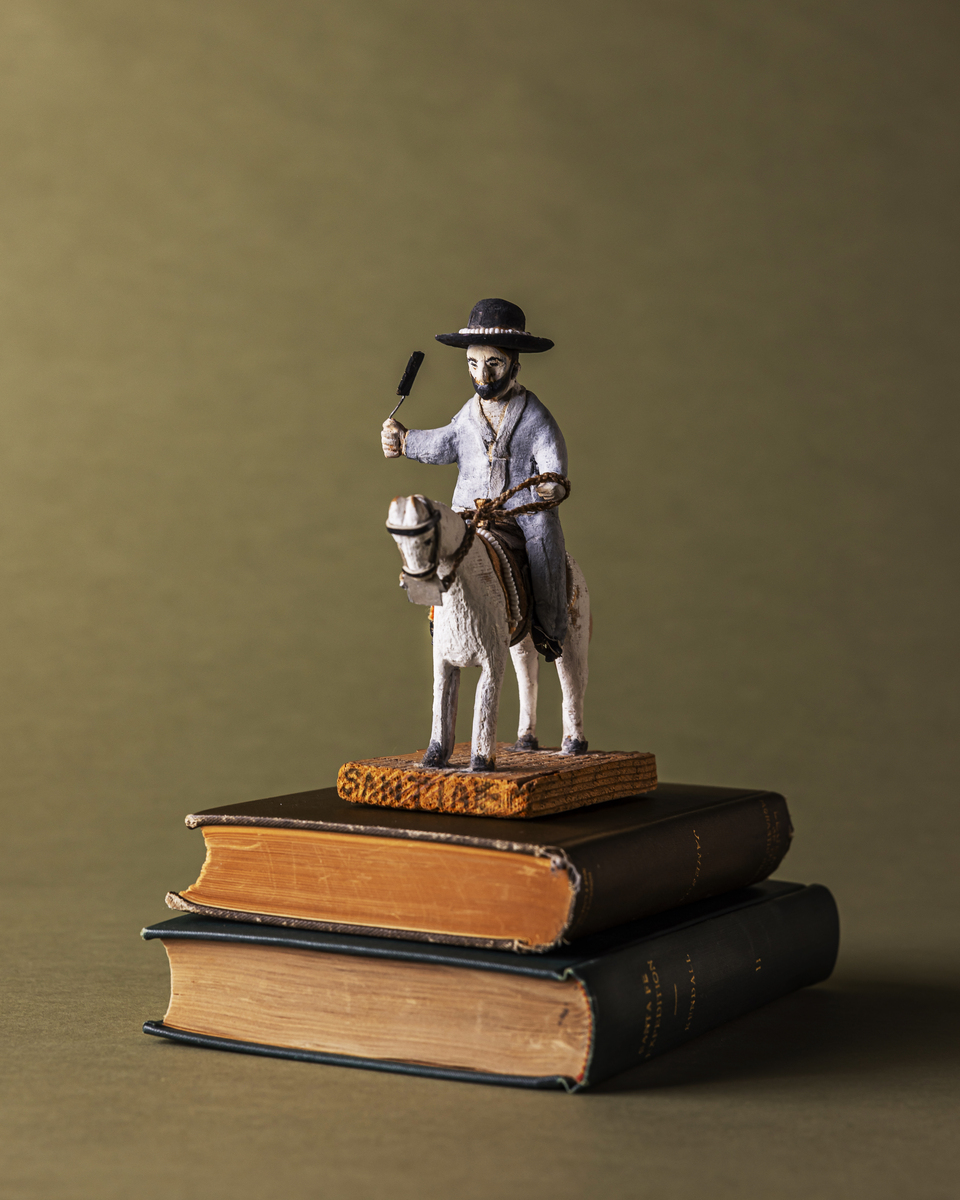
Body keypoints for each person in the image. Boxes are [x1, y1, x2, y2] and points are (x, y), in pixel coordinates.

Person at [381, 298, 569, 659]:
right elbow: (443, 442)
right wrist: (404, 440)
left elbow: (552, 461)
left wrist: (552, 485)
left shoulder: (536, 418)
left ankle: (550, 625)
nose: (483, 375)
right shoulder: (467, 417)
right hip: (469, 510)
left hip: (522, 513)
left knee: (545, 539)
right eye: (473, 363)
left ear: (515, 365)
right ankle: (437, 613)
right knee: (431, 536)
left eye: (493, 363)